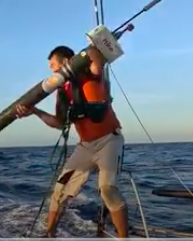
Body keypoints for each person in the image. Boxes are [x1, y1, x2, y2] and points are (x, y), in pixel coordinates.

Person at [15, 46, 129, 238]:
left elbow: (95, 58)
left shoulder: (90, 74)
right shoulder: (63, 92)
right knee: (60, 190)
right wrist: (35, 111)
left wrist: (89, 48)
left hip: (109, 140)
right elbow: (59, 123)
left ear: (67, 62)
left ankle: (123, 237)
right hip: (85, 146)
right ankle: (50, 234)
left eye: (53, 66)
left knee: (107, 189)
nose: (52, 71)